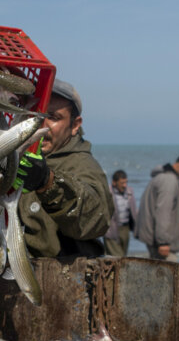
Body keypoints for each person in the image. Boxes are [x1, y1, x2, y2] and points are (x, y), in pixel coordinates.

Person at [12, 79, 113, 258]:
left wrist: (47, 182)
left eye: (53, 117)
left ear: (75, 125)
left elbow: (97, 219)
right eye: (35, 113)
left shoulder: (82, 164)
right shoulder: (10, 153)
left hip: (63, 278)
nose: (42, 124)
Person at [136, 150, 179, 261]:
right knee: (168, 275)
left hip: (155, 239)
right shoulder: (169, 181)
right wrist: (163, 242)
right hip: (160, 243)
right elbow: (163, 211)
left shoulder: (163, 177)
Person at [103, 169, 136, 257]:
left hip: (125, 228)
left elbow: (132, 212)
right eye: (122, 183)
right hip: (111, 229)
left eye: (126, 182)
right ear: (114, 182)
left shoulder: (129, 192)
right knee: (117, 258)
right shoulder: (107, 192)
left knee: (123, 256)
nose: (125, 185)